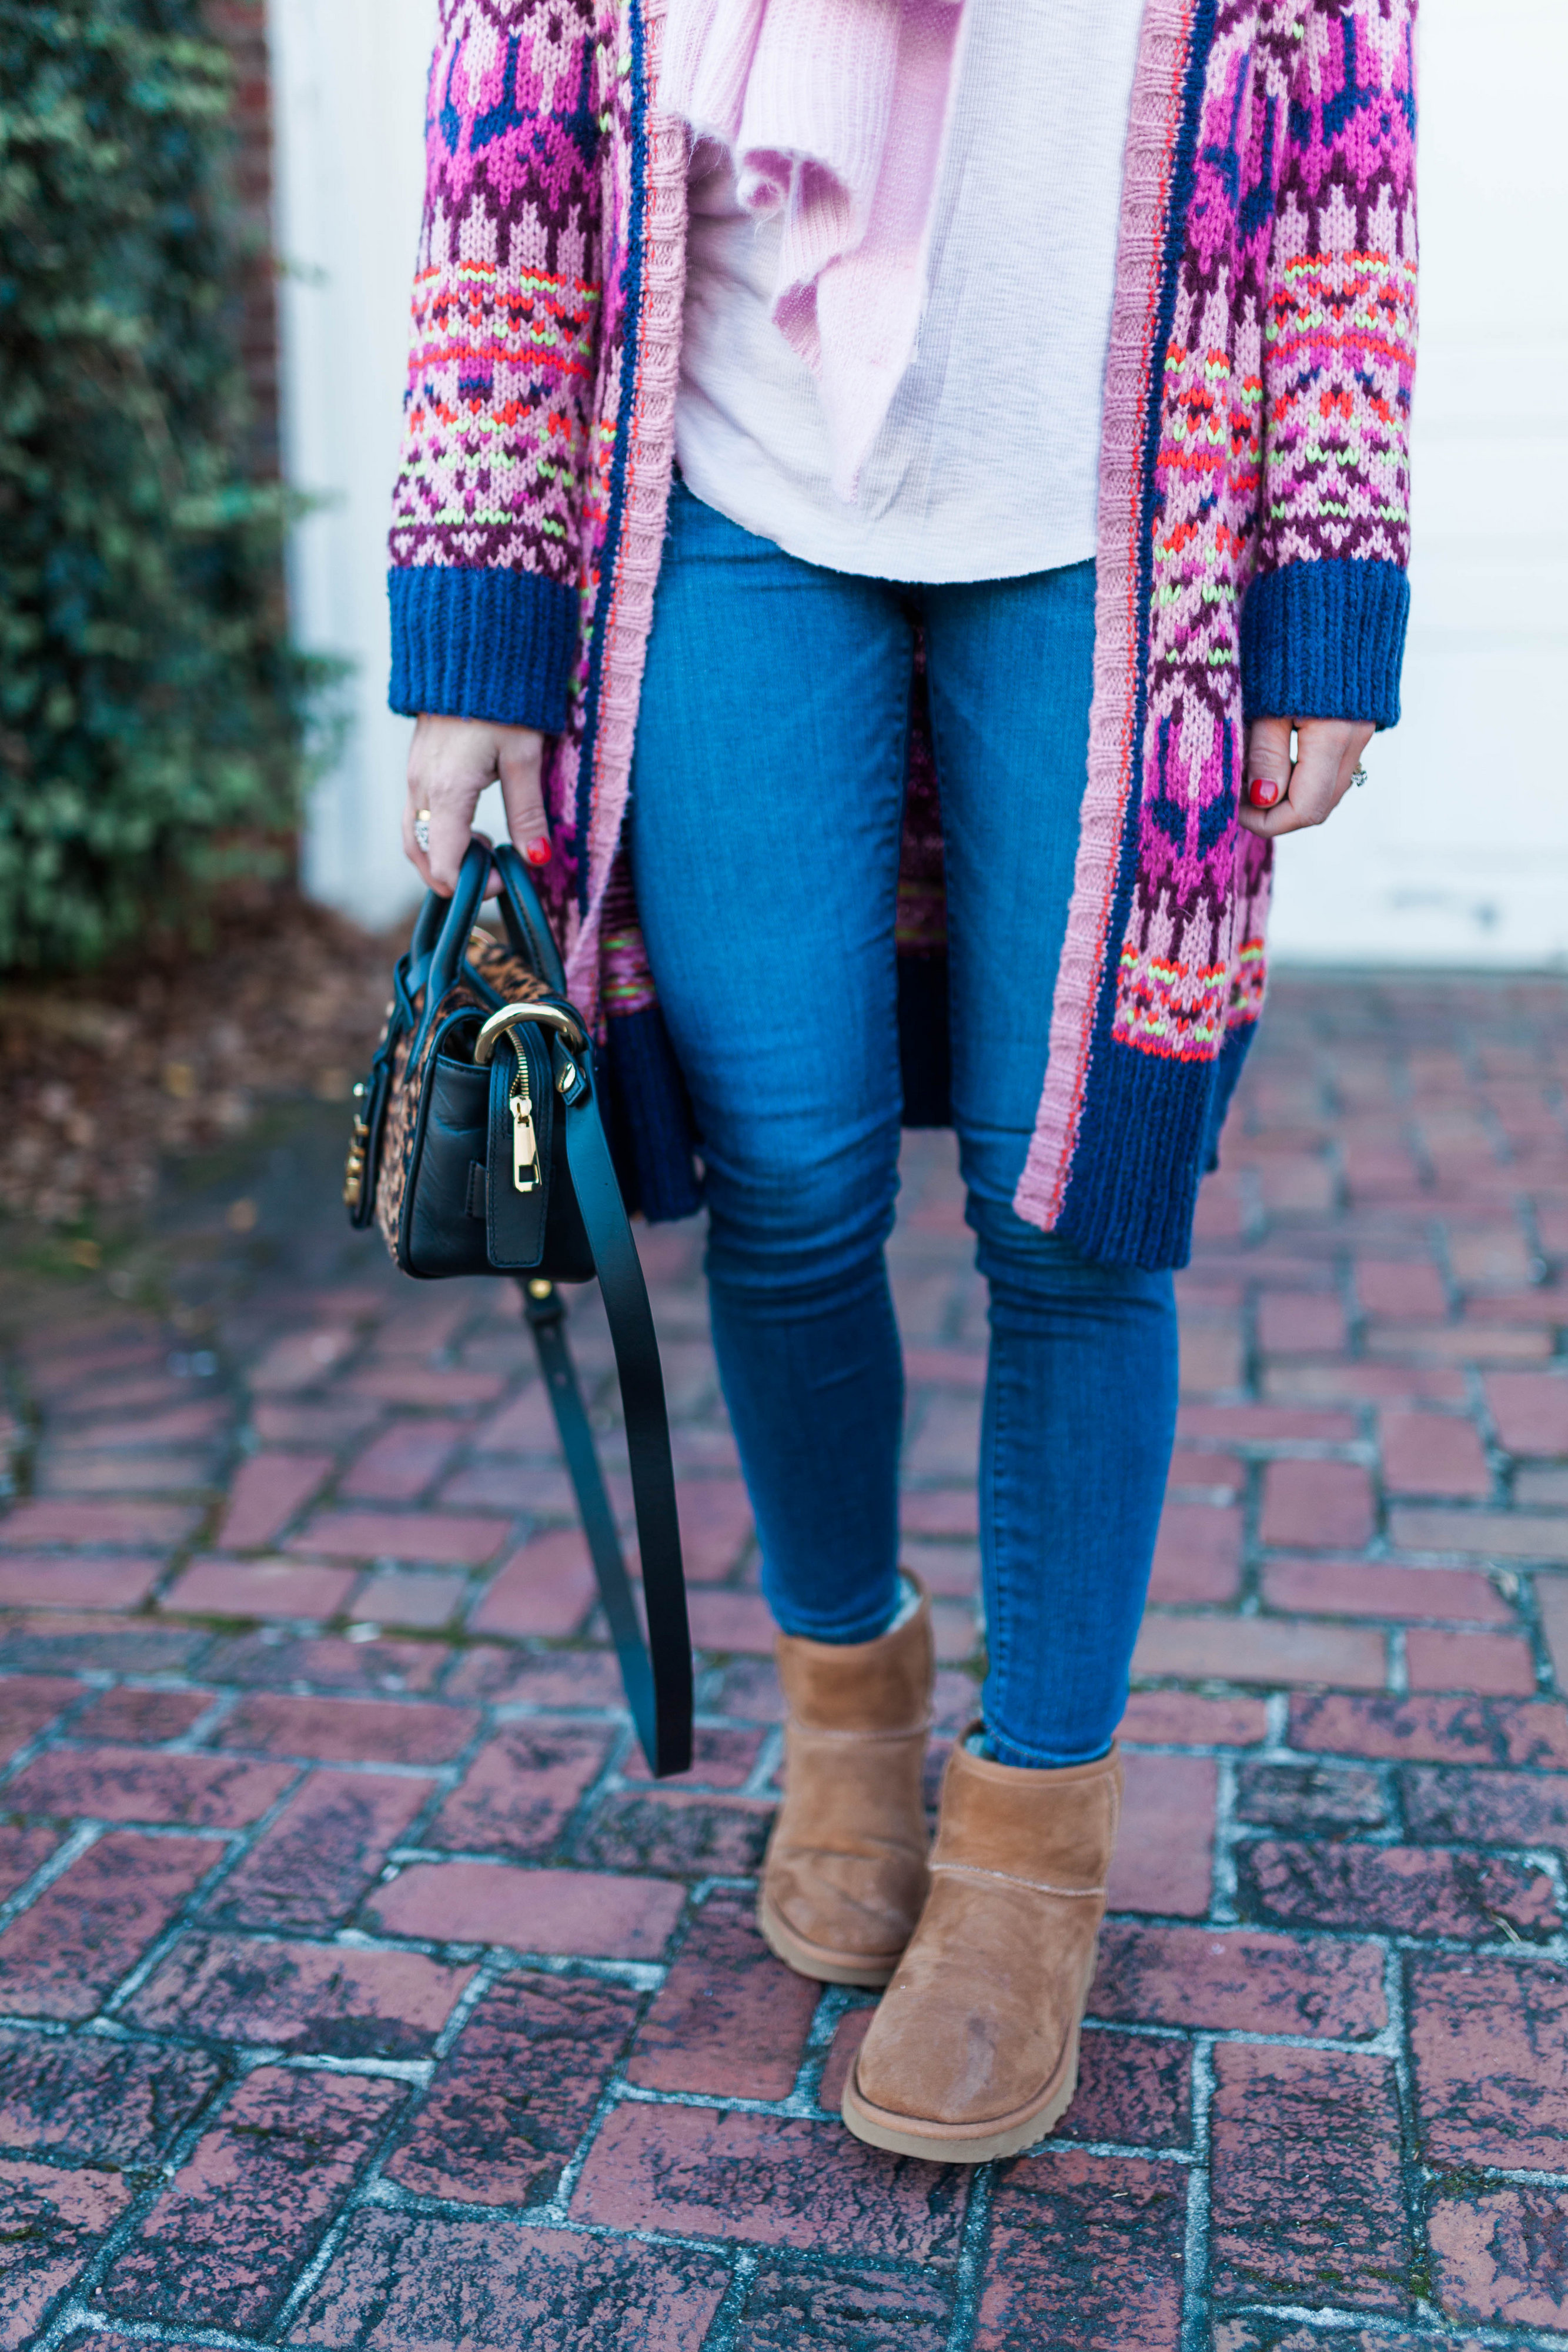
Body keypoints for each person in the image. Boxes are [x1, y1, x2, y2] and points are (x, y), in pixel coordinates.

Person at [389, 0, 1417, 2162]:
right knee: (778, 1178)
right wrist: (477, 622)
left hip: (1118, 518)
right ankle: (845, 1703)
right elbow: (507, 140)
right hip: (734, 498)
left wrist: (1329, 589)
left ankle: (1031, 1839)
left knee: (1075, 1219)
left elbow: (1342, 156)